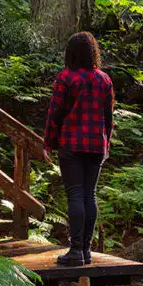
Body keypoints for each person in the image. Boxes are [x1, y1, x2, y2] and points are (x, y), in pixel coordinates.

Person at [43, 32, 114, 266]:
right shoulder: (104, 79)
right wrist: (107, 142)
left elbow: (55, 114)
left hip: (71, 144)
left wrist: (48, 143)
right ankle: (85, 250)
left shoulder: (66, 78)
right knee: (89, 195)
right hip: (96, 144)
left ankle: (75, 251)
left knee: (75, 194)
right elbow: (108, 117)